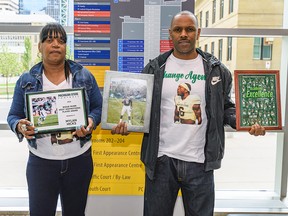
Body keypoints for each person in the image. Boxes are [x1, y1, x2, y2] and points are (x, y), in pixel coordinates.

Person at [112, 10, 266, 216]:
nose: (184, 34)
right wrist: (126, 124)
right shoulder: (155, 68)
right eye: (178, 29)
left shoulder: (217, 71)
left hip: (200, 163)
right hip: (161, 161)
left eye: (189, 29)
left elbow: (226, 107)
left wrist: (243, 120)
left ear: (198, 33)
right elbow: (141, 109)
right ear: (170, 34)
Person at [7, 23, 102, 216]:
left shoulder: (84, 75)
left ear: (66, 47)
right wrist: (19, 126)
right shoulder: (27, 80)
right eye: (49, 40)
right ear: (40, 47)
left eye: (61, 41)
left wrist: (91, 121)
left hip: (79, 160)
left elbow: (98, 107)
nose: (56, 44)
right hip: (41, 163)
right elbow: (13, 115)